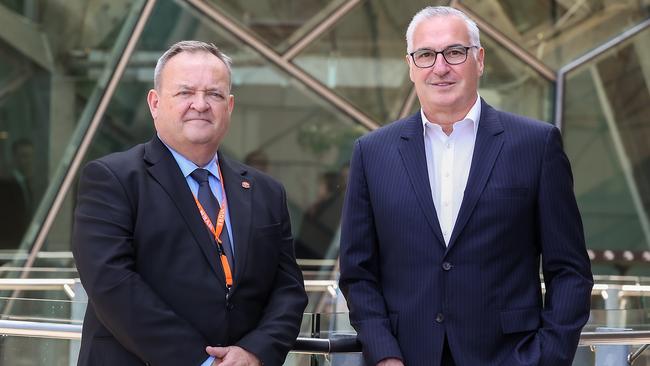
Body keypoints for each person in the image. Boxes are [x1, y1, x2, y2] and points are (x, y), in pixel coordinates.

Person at [339, 6, 593, 366]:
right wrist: (384, 355)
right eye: (425, 55)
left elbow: (570, 271)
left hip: (510, 357)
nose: (440, 67)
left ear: (480, 60)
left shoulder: (536, 145)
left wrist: (546, 357)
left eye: (455, 52)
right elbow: (357, 272)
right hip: (406, 358)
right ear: (410, 66)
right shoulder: (373, 152)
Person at [72, 41, 308, 366]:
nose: (200, 104)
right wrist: (202, 362)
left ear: (230, 106)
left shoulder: (266, 191)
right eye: (185, 93)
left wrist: (255, 352)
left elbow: (289, 289)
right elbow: (111, 283)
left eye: (214, 94)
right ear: (155, 103)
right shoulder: (113, 179)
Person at [0, 138, 35, 249]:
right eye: (24, 156)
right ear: (14, 158)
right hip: (9, 247)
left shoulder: (27, 184)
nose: (28, 161)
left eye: (30, 156)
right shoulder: (5, 185)